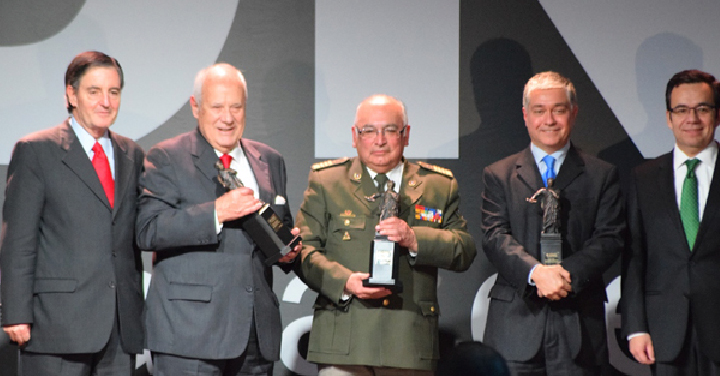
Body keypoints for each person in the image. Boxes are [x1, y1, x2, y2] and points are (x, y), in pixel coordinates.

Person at [135, 63, 300, 376]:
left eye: (236, 106)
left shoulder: (270, 160)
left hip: (255, 335)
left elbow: (280, 230)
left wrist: (291, 252)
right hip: (190, 334)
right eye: (218, 107)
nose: (228, 118)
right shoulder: (167, 157)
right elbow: (148, 229)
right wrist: (216, 213)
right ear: (195, 107)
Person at [296, 94, 476, 375]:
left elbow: (464, 250)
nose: (379, 140)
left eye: (390, 130)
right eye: (369, 131)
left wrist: (416, 239)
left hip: (409, 340)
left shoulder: (438, 185)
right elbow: (303, 251)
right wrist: (345, 282)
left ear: (406, 135)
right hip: (344, 338)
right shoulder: (327, 181)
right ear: (355, 136)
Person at [0, 51, 145, 376]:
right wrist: (14, 312)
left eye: (114, 92)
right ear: (71, 94)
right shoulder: (36, 150)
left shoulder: (132, 153)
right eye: (94, 91)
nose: (106, 102)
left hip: (119, 328)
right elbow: (18, 239)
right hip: (56, 326)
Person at [481, 71, 624, 375]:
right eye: (539, 110)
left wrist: (563, 275)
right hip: (514, 328)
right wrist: (536, 274)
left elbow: (609, 239)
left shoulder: (602, 174)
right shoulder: (499, 174)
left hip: (580, 328)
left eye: (559, 109)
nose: (549, 119)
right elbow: (495, 236)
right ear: (525, 115)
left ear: (573, 113)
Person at [621, 69, 720, 375]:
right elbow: (635, 257)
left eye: (702, 109)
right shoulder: (643, 178)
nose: (692, 119)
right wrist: (635, 327)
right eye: (681, 110)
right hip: (665, 331)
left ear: (717, 116)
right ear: (668, 117)